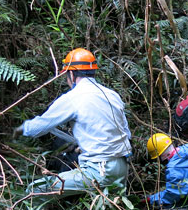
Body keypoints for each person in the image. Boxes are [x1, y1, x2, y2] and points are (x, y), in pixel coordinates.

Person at [14, 48, 132, 197]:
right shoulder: (113, 95)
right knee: (112, 209)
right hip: (122, 167)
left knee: (35, 189)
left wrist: (17, 130)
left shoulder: (73, 97)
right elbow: (126, 134)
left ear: (71, 74)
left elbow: (38, 128)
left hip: (99, 170)